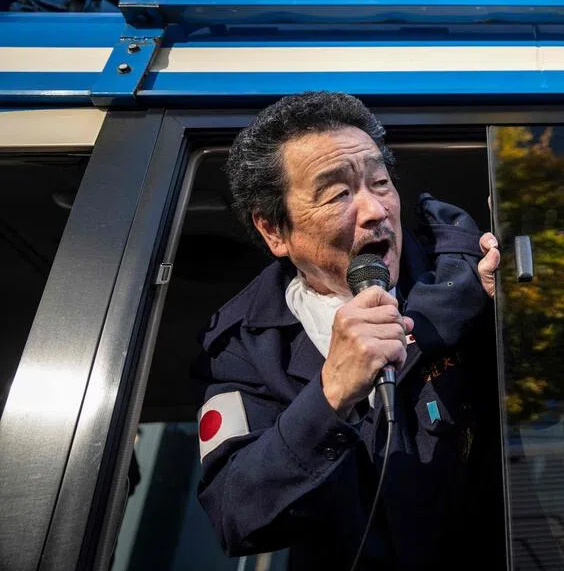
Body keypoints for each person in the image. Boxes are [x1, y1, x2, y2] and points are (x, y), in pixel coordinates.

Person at [193, 91, 501, 570]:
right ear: (275, 231)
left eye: (379, 182)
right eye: (338, 194)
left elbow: (547, 414)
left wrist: (513, 316)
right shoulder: (245, 347)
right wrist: (331, 393)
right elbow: (238, 517)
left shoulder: (465, 276)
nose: (375, 210)